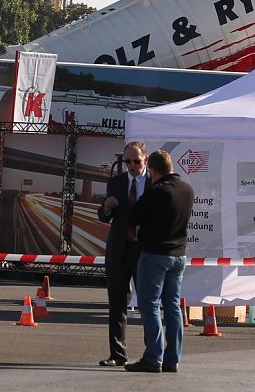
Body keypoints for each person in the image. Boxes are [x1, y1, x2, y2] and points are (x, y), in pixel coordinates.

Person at [125, 150, 194, 374]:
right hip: (179, 255)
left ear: (153, 171)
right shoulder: (187, 190)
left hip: (155, 254)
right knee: (172, 306)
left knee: (150, 305)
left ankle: (153, 357)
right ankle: (173, 359)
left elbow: (134, 216)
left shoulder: (156, 191)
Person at [96, 141, 150, 367]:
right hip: (119, 249)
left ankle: (152, 353)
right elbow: (103, 216)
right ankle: (117, 354)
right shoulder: (116, 183)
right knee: (117, 303)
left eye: (136, 161)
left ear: (145, 160)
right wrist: (106, 207)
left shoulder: (153, 183)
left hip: (143, 249)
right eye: (128, 161)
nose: (132, 166)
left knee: (147, 303)